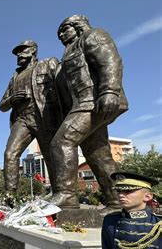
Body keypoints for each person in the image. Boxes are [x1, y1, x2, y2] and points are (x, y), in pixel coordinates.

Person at [50, 15, 128, 208]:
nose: (60, 34)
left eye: (64, 28)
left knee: (62, 142)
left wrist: (109, 90)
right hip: (83, 105)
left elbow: (110, 61)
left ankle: (66, 194)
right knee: (98, 155)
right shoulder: (68, 54)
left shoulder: (93, 35)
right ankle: (117, 202)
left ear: (78, 26)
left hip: (92, 102)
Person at [0, 40, 60, 193]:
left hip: (43, 117)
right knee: (10, 154)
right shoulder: (15, 77)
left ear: (33, 50)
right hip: (22, 120)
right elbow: (2, 106)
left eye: (23, 50)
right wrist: (12, 99)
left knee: (50, 156)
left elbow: (63, 87)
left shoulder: (47, 64)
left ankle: (60, 193)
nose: (19, 54)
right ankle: (10, 195)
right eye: (17, 52)